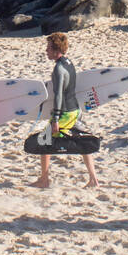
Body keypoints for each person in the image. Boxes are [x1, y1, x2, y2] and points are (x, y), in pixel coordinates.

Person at [29, 32, 99, 189]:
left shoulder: (59, 69)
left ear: (55, 50)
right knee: (82, 142)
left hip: (65, 113)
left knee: (44, 141)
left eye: (48, 48)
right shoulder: (69, 62)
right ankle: (93, 179)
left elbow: (59, 94)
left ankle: (44, 179)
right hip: (75, 110)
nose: (46, 51)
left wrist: (55, 119)